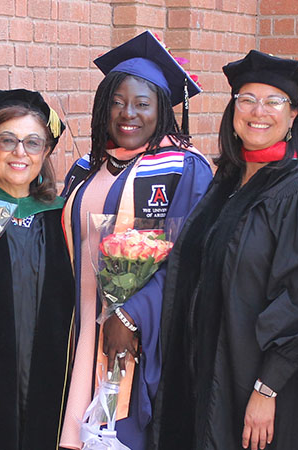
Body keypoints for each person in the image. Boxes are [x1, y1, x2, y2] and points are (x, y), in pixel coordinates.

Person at [151, 50, 298, 450]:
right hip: (207, 369)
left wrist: (268, 388)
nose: (257, 111)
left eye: (273, 101)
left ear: (294, 115)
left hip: (257, 383)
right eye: (246, 100)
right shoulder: (228, 179)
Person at [58, 31, 211, 450]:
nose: (128, 113)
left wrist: (131, 316)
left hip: (138, 335)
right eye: (117, 102)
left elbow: (190, 257)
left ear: (162, 110)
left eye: (143, 103)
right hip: (79, 331)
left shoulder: (183, 167)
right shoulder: (86, 168)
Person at [0, 89, 76, 450]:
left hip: (53, 377)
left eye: (32, 143)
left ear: (46, 152)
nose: (20, 153)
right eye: (7, 140)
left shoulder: (65, 215)